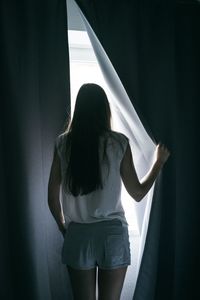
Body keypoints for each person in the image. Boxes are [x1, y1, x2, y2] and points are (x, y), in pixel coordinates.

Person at [48, 83, 170, 300]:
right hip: (112, 234)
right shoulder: (118, 143)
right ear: (104, 109)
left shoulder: (63, 143)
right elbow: (137, 192)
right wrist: (158, 163)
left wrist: (63, 227)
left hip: (78, 234)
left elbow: (52, 198)